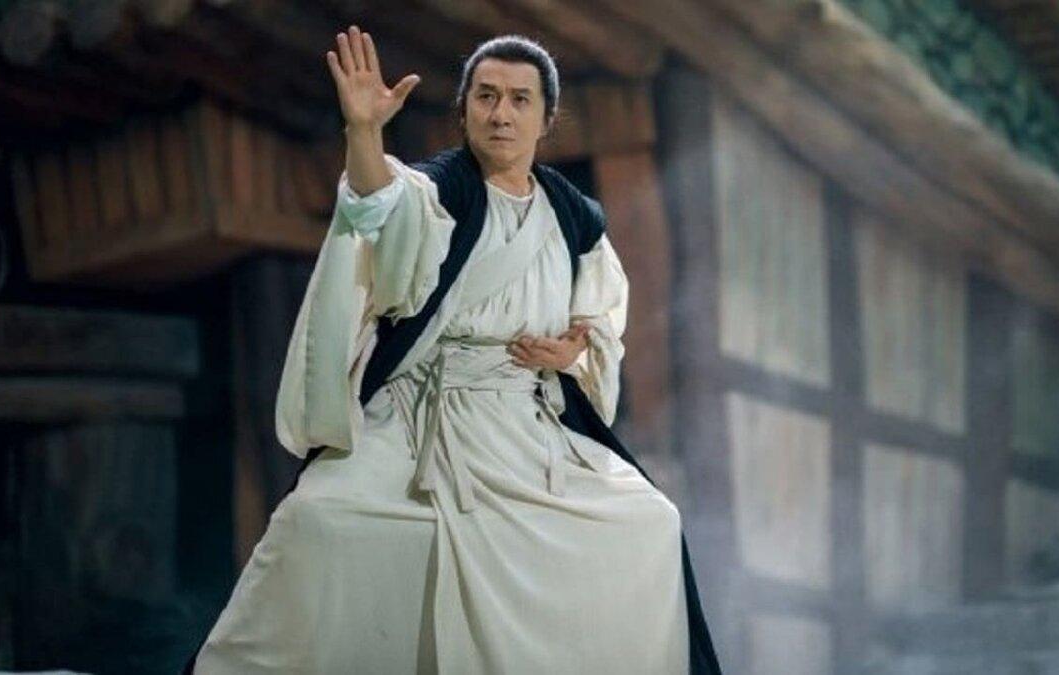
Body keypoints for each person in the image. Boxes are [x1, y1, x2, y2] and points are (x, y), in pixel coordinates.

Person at [187, 26, 721, 674]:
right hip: (420, 416)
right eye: (486, 96)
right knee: (320, 521)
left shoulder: (572, 215)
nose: (501, 114)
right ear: (463, 110)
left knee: (646, 522)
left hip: (525, 425)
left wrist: (570, 353)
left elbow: (598, 318)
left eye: (520, 100)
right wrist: (364, 132)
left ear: (546, 118)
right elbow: (379, 205)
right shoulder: (439, 190)